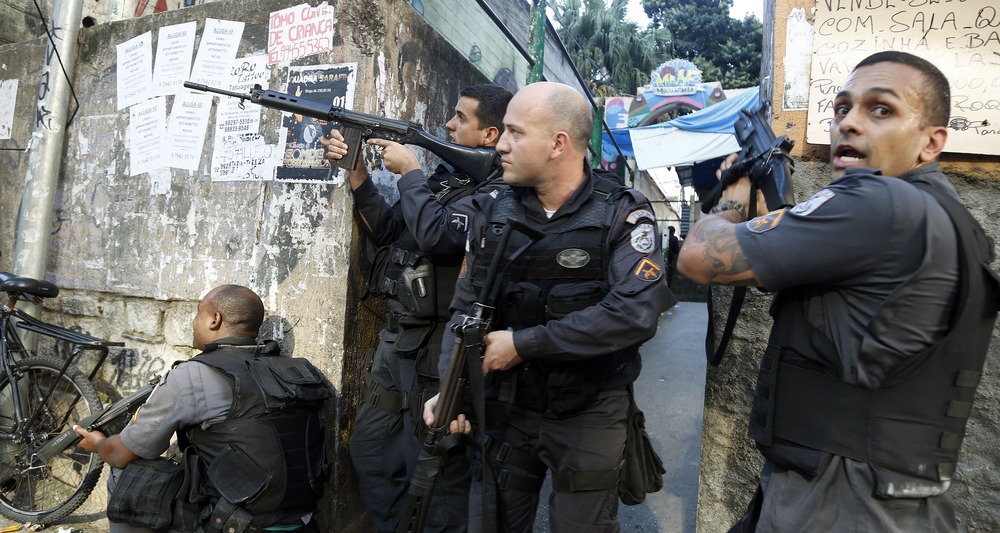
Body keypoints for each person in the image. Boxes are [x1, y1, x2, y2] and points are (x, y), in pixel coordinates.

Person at [678, 51, 999, 532]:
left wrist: (734, 189)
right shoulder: (949, 219)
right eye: (842, 108)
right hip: (896, 504)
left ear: (931, 142)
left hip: (835, 506)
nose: (849, 123)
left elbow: (697, 258)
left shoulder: (877, 203)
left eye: (881, 110)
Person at [423, 81, 668, 532]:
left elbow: (634, 313)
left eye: (516, 133)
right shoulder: (493, 210)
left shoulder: (622, 212)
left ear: (558, 144)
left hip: (589, 410)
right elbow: (464, 311)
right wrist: (452, 387)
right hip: (507, 408)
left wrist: (523, 344)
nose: (503, 145)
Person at [322, 84, 513, 533]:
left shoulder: (500, 192)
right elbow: (389, 231)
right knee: (368, 450)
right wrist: (356, 171)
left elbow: (440, 237)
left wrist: (409, 173)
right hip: (400, 341)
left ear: (489, 135)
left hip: (440, 349)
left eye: (460, 118)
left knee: (431, 468)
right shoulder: (449, 180)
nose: (448, 124)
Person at [74, 284, 331, 532]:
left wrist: (97, 443)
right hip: (302, 520)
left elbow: (122, 453)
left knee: (127, 473)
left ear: (214, 319)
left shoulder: (194, 375)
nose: (194, 321)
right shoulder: (295, 371)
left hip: (234, 524)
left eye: (198, 312)